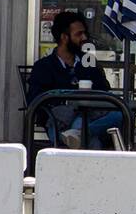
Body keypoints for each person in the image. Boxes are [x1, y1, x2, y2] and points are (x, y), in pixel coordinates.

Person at [27, 10, 122, 149]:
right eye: (78, 34)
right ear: (64, 37)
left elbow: (104, 92)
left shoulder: (88, 62)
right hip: (60, 122)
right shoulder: (44, 66)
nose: (84, 38)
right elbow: (35, 101)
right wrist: (69, 103)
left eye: (84, 33)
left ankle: (79, 133)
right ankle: (81, 133)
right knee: (93, 143)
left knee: (120, 115)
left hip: (90, 116)